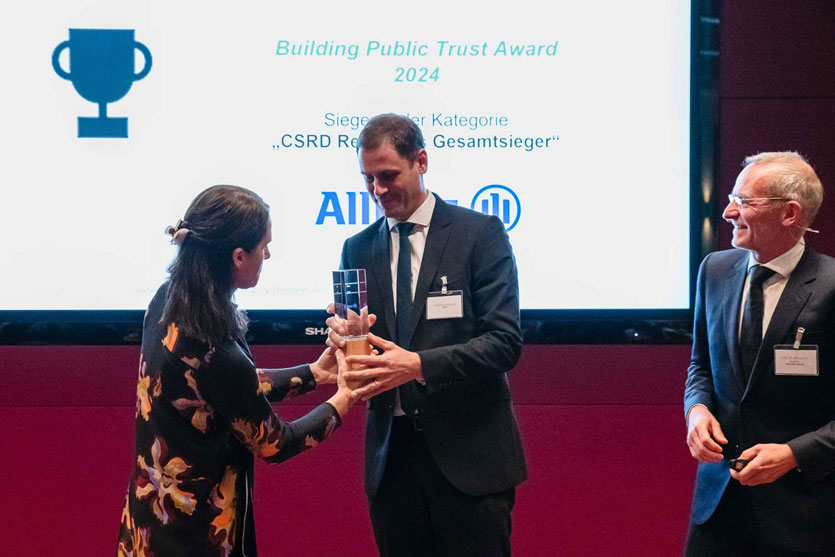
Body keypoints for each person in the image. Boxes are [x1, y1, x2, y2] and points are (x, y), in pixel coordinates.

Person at [117, 185, 355, 556]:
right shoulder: (215, 347)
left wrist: (314, 373)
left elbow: (222, 393)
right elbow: (276, 444)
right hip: (199, 539)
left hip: (147, 528)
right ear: (239, 256)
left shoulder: (166, 300)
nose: (268, 255)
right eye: (264, 246)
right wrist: (347, 396)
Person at [328, 113, 527, 556]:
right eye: (368, 179)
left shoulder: (479, 234)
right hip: (392, 465)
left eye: (387, 176)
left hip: (471, 460)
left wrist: (418, 365)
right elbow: (357, 352)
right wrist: (344, 343)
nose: (377, 190)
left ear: (420, 161)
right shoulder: (356, 248)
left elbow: (504, 342)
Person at [684, 152, 835, 555]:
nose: (729, 212)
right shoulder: (714, 270)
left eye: (745, 201)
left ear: (790, 213)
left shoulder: (831, 286)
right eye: (732, 198)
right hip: (717, 509)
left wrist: (793, 454)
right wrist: (696, 411)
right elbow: (701, 366)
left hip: (803, 514)